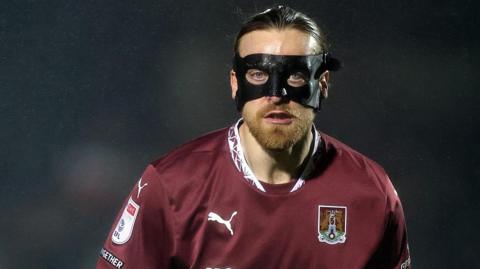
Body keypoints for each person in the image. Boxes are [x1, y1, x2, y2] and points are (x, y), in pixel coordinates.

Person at [97, 5, 411, 269]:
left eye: (297, 74)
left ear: (323, 84)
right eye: (258, 74)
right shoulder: (171, 184)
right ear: (236, 83)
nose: (276, 95)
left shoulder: (371, 193)